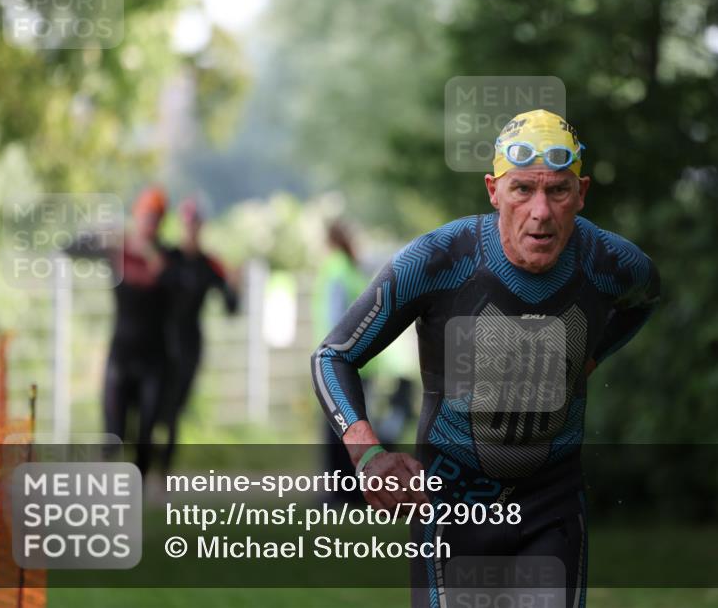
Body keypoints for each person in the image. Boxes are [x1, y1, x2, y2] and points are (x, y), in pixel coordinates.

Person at [311, 109, 660, 608]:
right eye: (522, 190)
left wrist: (593, 355)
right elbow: (332, 356)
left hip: (551, 506)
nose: (540, 211)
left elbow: (645, 299)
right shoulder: (439, 260)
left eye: (557, 190)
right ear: (494, 191)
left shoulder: (609, 262)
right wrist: (368, 455)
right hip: (451, 507)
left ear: (581, 194)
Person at [65, 186, 171, 476]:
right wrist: (100, 232)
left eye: (156, 217)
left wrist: (149, 254)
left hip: (154, 357)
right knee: (113, 432)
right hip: (121, 354)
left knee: (146, 430)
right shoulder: (118, 252)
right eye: (146, 216)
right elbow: (69, 248)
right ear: (137, 216)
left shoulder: (166, 256)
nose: (150, 222)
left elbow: (178, 280)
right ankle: (103, 488)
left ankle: (140, 490)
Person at [159, 198, 239, 473]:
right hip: (158, 343)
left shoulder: (209, 264)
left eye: (196, 224)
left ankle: (162, 477)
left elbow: (230, 307)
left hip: (189, 344)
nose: (191, 229)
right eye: (188, 223)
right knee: (152, 408)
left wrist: (233, 286)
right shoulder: (167, 257)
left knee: (173, 413)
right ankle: (141, 471)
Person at [311, 220, 373, 502]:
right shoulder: (351, 268)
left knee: (337, 427)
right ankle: (356, 490)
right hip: (362, 361)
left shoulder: (335, 267)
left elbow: (336, 321)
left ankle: (339, 492)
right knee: (356, 425)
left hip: (338, 363)